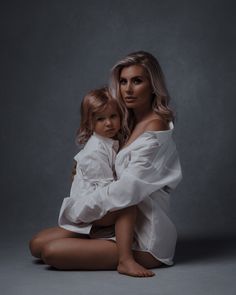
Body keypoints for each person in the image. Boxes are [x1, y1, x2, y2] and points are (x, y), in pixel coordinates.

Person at [29, 51, 182, 278]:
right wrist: (83, 169)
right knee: (36, 244)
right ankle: (100, 235)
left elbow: (128, 189)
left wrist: (83, 210)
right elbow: (103, 157)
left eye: (137, 81)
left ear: (153, 86)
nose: (128, 89)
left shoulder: (155, 127)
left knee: (51, 253)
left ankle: (124, 260)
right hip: (113, 216)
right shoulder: (126, 121)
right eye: (123, 81)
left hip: (143, 235)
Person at [58, 87, 152, 276]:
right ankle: (125, 260)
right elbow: (106, 191)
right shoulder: (96, 150)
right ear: (89, 122)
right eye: (100, 119)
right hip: (87, 205)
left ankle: (101, 235)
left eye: (113, 116)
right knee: (126, 206)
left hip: (93, 200)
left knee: (123, 199)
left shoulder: (109, 142)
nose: (109, 123)